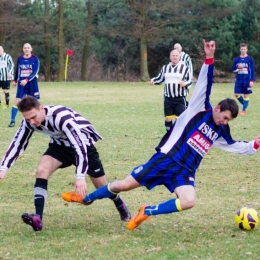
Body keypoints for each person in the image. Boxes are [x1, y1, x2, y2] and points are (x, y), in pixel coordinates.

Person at [62, 40, 260, 231]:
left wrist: (255, 145)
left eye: (228, 121)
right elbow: (204, 85)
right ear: (217, 108)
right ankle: (86, 199)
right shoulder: (198, 110)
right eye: (224, 117)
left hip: (185, 172)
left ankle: (147, 211)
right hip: (165, 159)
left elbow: (235, 146)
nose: (224, 122)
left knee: (189, 201)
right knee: (123, 185)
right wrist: (209, 59)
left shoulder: (221, 130)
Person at [0, 96, 131, 231]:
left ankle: (119, 203)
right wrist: (3, 167)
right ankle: (38, 219)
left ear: (41, 108)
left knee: (102, 187)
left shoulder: (62, 118)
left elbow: (79, 147)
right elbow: (18, 143)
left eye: (34, 117)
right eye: (28, 119)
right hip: (59, 147)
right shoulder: (29, 121)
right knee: (42, 170)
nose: (32, 122)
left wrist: (80, 176)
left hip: (84, 146)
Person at [150, 49, 192, 132]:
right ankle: (169, 135)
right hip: (168, 98)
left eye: (176, 55)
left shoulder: (184, 68)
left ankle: (177, 135)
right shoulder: (165, 68)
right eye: (173, 55)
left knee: (179, 119)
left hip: (180, 98)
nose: (175, 57)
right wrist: (153, 80)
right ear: (170, 57)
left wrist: (185, 83)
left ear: (179, 57)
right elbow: (160, 78)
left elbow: (190, 81)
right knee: (168, 118)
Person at [8, 43, 40, 127]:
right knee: (17, 101)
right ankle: (12, 121)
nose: (26, 49)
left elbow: (35, 72)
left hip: (32, 83)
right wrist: (15, 80)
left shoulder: (35, 59)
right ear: (23, 49)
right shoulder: (20, 58)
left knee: (33, 102)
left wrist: (27, 79)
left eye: (28, 48)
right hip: (21, 83)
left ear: (31, 49)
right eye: (25, 48)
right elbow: (17, 70)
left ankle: (37, 120)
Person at [231, 43, 256, 115]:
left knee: (246, 95)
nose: (243, 50)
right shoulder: (237, 59)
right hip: (239, 79)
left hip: (247, 79)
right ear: (240, 50)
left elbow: (252, 70)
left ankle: (244, 110)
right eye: (242, 49)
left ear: (247, 49)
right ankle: (245, 103)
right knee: (236, 94)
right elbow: (233, 69)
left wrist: (251, 80)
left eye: (244, 49)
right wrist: (238, 67)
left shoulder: (250, 59)